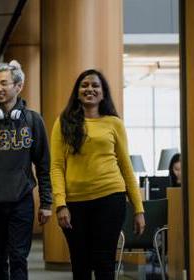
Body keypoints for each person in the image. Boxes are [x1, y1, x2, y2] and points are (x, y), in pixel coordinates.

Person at [50, 69, 146, 280]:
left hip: (110, 199)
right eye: (84, 85)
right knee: (80, 264)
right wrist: (60, 204)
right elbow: (56, 167)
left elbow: (126, 167)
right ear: (77, 92)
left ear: (103, 93)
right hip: (74, 203)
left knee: (104, 264)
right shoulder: (63, 123)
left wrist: (138, 209)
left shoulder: (114, 123)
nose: (90, 89)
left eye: (95, 85)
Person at [0, 60, 52, 280]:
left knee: (18, 258)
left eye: (4, 83)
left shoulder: (33, 121)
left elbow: (44, 164)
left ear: (18, 86)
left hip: (22, 200)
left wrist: (46, 202)